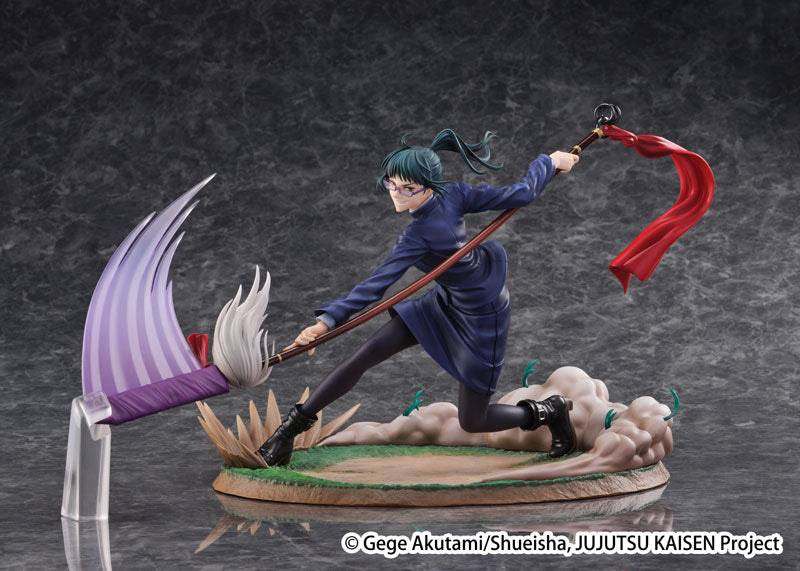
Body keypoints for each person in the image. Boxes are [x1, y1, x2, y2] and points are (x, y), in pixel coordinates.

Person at [259, 129, 580, 467]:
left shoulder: (428, 223)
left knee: (474, 420)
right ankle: (286, 433)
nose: (396, 194)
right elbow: (373, 286)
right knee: (363, 356)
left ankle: (550, 410)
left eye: (408, 188)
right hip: (444, 302)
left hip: (482, 314)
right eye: (391, 184)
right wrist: (325, 323)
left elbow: (521, 194)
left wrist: (548, 163)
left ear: (429, 186)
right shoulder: (447, 199)